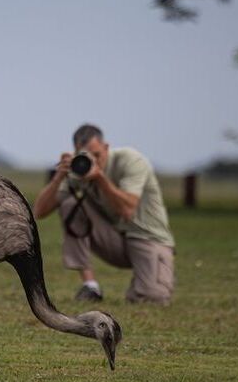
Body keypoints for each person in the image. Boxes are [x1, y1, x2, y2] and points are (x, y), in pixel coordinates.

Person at [33, 124, 175, 305]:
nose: (93, 161)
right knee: (69, 205)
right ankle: (91, 286)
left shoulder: (131, 160)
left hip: (147, 237)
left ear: (106, 147)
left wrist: (100, 177)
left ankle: (146, 280)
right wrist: (59, 177)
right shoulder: (78, 171)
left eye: (97, 155)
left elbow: (127, 210)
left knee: (152, 298)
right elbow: (39, 212)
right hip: (113, 239)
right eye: (86, 156)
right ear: (76, 153)